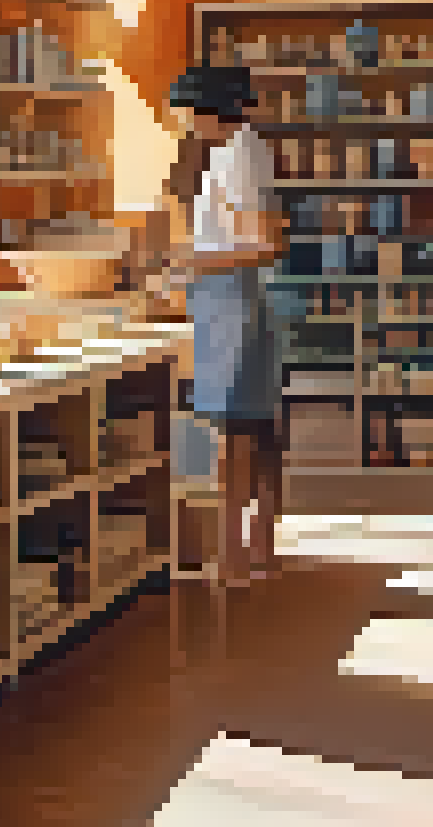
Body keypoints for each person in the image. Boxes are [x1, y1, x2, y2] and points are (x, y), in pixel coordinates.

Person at [147, 65, 286, 587]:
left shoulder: (238, 156)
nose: (178, 122)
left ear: (205, 110)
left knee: (232, 435)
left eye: (181, 111)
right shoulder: (241, 150)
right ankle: (261, 551)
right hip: (234, 300)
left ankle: (231, 558)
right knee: (257, 429)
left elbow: (265, 244)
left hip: (235, 303)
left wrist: (182, 261)